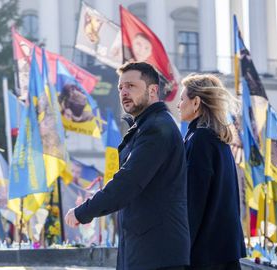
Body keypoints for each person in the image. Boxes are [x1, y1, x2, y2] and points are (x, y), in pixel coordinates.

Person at [65, 62, 190, 270]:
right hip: (146, 250)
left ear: (152, 91)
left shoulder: (157, 128)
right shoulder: (146, 126)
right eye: (121, 87)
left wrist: (82, 212)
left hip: (157, 255)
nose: (124, 92)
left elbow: (127, 183)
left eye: (131, 86)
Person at [178, 74, 246, 269]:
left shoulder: (200, 139)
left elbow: (194, 200)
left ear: (196, 102)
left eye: (182, 99)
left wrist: (181, 249)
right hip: (222, 249)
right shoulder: (215, 138)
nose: (178, 105)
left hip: (205, 253)